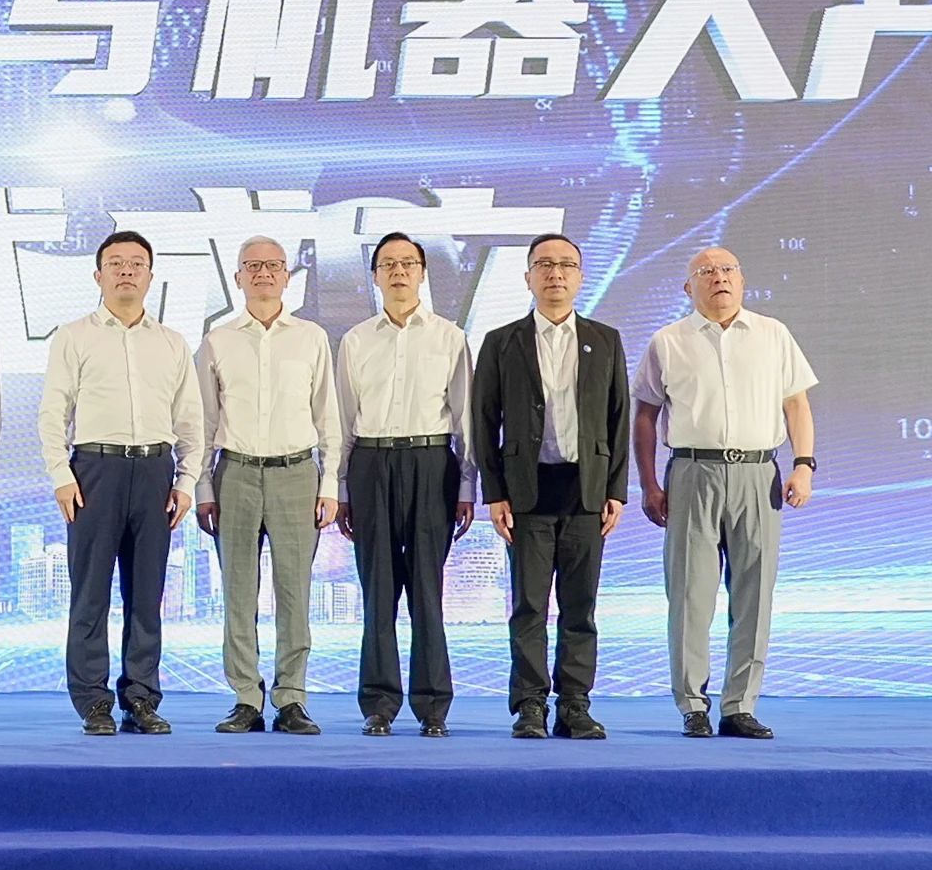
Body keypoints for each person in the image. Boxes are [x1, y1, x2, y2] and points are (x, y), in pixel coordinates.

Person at [634, 245, 818, 740]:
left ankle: (740, 705)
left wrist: (803, 465)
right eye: (706, 271)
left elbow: (796, 404)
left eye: (728, 269)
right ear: (688, 287)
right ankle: (692, 704)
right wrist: (649, 482)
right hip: (692, 472)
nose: (719, 277)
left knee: (755, 594)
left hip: (759, 473)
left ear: (742, 279)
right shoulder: (668, 341)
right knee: (689, 594)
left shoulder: (773, 333)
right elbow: (646, 415)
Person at [39, 229, 205, 735]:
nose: (126, 271)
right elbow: (53, 412)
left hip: (155, 471)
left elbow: (190, 420)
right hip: (95, 471)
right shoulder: (74, 336)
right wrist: (61, 474)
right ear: (99, 275)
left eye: (137, 263)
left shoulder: (171, 342)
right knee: (90, 594)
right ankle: (93, 701)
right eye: (116, 263)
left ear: (151, 276)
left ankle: (141, 698)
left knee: (147, 595)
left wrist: (186, 480)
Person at [472, 233, 628, 741]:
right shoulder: (502, 341)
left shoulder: (605, 339)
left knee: (580, 608)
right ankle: (530, 705)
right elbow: (483, 421)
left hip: (586, 491)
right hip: (527, 493)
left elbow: (619, 417)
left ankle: (575, 705)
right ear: (528, 278)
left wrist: (616, 490)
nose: (555, 274)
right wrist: (495, 492)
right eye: (544, 265)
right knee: (529, 607)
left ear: (579, 277)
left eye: (566, 265)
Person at [194, 235, 338, 735]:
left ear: (286, 276)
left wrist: (330, 484)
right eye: (252, 266)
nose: (263, 273)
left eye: (273, 265)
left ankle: (291, 697)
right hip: (234, 473)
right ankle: (245, 698)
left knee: (294, 592)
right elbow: (203, 421)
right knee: (238, 592)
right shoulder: (217, 340)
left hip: (297, 473)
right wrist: (203, 488)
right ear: (237, 278)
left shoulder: (311, 337)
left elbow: (328, 416)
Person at [336, 231, 472, 736]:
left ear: (422, 273)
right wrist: (342, 488)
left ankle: (433, 705)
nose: (398, 271)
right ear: (375, 276)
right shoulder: (356, 339)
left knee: (426, 591)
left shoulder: (449, 337)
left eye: (407, 263)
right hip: (371, 462)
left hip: (432, 462)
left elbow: (465, 419)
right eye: (388, 264)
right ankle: (379, 703)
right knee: (377, 590)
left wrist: (466, 487)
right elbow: (342, 421)